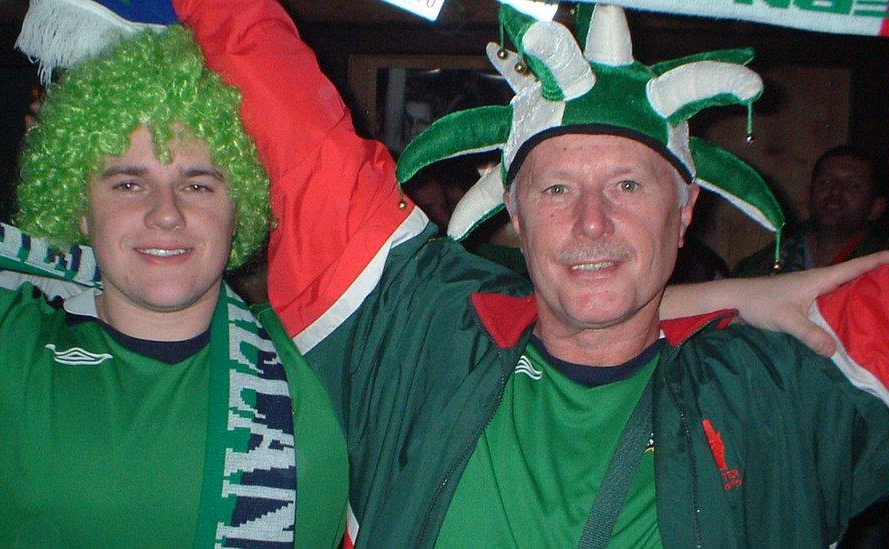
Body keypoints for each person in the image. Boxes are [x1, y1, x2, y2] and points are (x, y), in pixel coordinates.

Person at [172, 1, 889, 546]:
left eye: (629, 186)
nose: (592, 221)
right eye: (555, 189)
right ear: (513, 208)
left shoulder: (784, 388)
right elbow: (264, 74)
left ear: (685, 212)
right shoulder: (411, 325)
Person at [0, 27, 347, 547]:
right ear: (80, 207)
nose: (166, 213)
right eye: (128, 184)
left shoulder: (321, 358)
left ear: (241, 210)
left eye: (197, 184)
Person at [734, 145, 888, 276]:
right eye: (826, 182)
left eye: (853, 186)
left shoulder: (881, 267)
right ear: (807, 196)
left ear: (876, 207)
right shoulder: (762, 264)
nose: (835, 192)